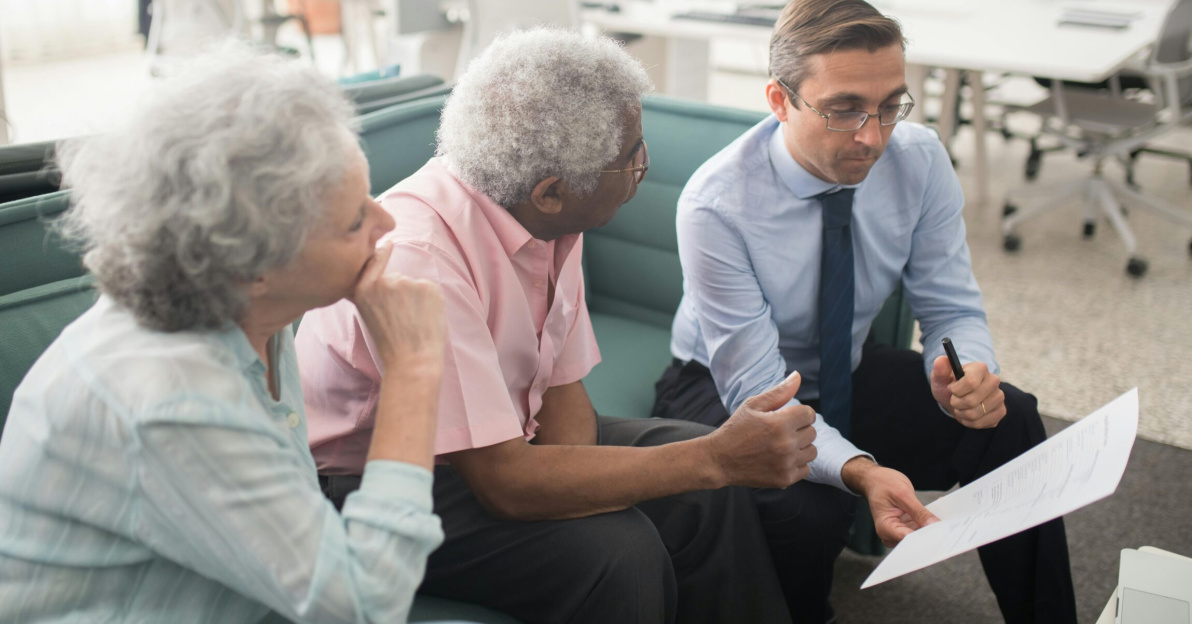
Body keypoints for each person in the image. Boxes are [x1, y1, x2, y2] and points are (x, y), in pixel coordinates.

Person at [298, 28, 937, 624]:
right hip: (369, 480)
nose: (644, 168)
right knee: (624, 549)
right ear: (550, 190)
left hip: (496, 440)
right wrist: (710, 458)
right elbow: (506, 485)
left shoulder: (546, 215)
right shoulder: (423, 260)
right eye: (631, 160)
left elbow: (560, 395)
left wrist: (672, 473)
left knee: (709, 495)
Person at [0, 48, 455, 624]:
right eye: (355, 220)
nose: (386, 221)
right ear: (250, 266)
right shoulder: (171, 398)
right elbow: (364, 602)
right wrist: (413, 368)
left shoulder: (257, 313)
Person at [651, 1, 1079, 623]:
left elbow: (950, 304)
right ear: (779, 100)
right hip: (724, 387)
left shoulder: (920, 159)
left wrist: (965, 372)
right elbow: (760, 392)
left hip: (841, 367)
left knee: (1010, 418)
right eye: (844, 109)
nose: (872, 136)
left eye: (889, 106)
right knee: (809, 508)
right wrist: (858, 471)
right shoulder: (716, 205)